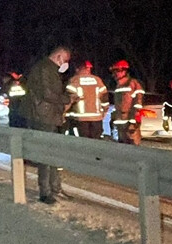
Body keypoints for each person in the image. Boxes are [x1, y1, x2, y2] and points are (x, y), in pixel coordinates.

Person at [19, 45, 73, 204]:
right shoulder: (45, 68)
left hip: (48, 115)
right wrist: (67, 99)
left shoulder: (47, 68)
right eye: (66, 60)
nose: (66, 64)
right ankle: (45, 192)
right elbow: (48, 94)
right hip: (42, 116)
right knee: (45, 154)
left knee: (51, 153)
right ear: (59, 56)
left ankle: (54, 188)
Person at [65, 61, 109, 139]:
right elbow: (104, 97)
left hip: (80, 119)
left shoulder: (74, 80)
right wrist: (105, 110)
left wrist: (63, 112)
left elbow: (68, 100)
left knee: (82, 143)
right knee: (96, 142)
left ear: (77, 69)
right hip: (96, 119)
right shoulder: (97, 80)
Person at [108, 60, 145, 145]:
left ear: (124, 71)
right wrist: (113, 117)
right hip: (120, 122)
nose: (114, 74)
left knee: (133, 146)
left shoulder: (133, 84)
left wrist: (134, 121)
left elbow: (138, 104)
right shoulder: (118, 86)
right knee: (122, 147)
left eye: (117, 71)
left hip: (130, 123)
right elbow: (119, 104)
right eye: (114, 71)